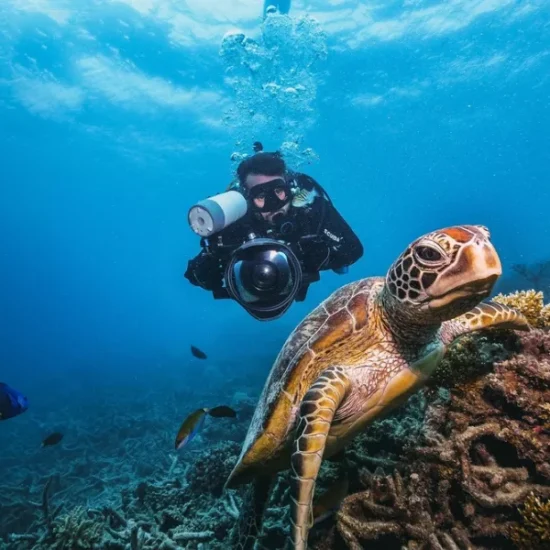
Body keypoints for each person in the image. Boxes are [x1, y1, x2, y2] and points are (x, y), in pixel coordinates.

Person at [184, 149, 363, 315]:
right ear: (247, 198)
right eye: (260, 196)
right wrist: (215, 257)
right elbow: (195, 275)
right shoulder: (239, 221)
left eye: (279, 191)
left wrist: (316, 258)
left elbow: (353, 250)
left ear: (289, 188)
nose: (273, 204)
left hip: (300, 280)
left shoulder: (309, 209)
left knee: (342, 269)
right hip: (253, 289)